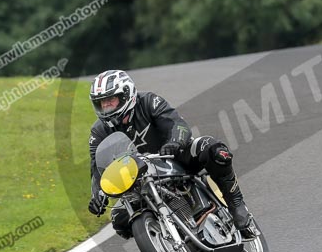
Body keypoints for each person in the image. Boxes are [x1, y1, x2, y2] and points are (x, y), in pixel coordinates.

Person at [86, 69, 251, 238]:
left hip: (175, 156)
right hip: (139, 177)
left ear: (126, 95)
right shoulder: (98, 131)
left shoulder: (149, 101)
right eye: (101, 103)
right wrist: (98, 194)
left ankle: (236, 204)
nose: (105, 107)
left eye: (110, 100)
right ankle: (165, 238)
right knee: (119, 220)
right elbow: (97, 168)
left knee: (215, 150)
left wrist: (174, 143)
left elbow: (178, 124)